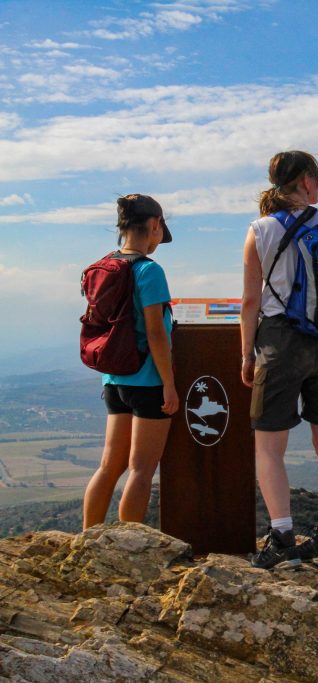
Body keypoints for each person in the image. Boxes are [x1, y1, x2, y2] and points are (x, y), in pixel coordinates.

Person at [241, 150, 318, 569]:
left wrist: (246, 354)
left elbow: (251, 300)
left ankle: (284, 539)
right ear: (307, 182)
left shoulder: (261, 230)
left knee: (269, 446)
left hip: (280, 343)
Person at [82, 195, 177, 529]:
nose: (158, 240)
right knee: (141, 470)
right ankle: (130, 547)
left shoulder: (104, 266)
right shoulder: (149, 271)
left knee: (109, 467)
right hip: (147, 381)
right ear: (154, 225)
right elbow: (155, 332)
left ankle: (87, 540)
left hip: (113, 379)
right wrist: (169, 383)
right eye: (159, 231)